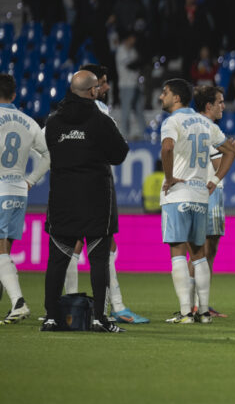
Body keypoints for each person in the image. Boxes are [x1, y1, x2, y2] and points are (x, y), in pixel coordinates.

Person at [40, 70, 129, 332]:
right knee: (98, 260)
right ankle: (100, 318)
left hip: (62, 199)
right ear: (93, 91)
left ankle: (51, 317)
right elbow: (120, 154)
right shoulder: (101, 121)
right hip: (95, 198)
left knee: (56, 260)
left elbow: (48, 149)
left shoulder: (54, 121)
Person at [66, 63, 148, 324]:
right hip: (96, 184)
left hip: (72, 184)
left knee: (73, 244)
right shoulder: (99, 111)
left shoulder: (63, 112)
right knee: (103, 243)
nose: (107, 87)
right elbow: (117, 151)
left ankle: (69, 304)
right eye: (103, 82)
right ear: (93, 87)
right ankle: (116, 307)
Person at [159, 78, 235, 324]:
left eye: (164, 93)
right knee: (199, 255)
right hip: (201, 196)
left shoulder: (172, 121)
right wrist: (216, 180)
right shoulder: (206, 124)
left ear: (177, 97)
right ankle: (204, 312)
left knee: (178, 253)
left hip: (178, 194)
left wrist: (169, 178)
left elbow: (167, 148)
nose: (160, 97)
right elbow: (229, 151)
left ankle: (186, 313)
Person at [0, 74, 49, 324]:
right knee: (4, 250)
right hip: (19, 190)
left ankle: (18, 302)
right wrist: (30, 180)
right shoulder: (29, 122)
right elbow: (48, 155)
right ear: (15, 94)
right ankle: (12, 304)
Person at [196, 85, 235, 318]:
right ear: (209, 105)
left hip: (202, 190)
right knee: (205, 251)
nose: (223, 106)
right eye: (220, 101)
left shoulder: (195, 125)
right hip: (210, 190)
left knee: (204, 250)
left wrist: (233, 151)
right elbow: (218, 166)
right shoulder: (209, 128)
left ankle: (199, 303)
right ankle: (199, 303)